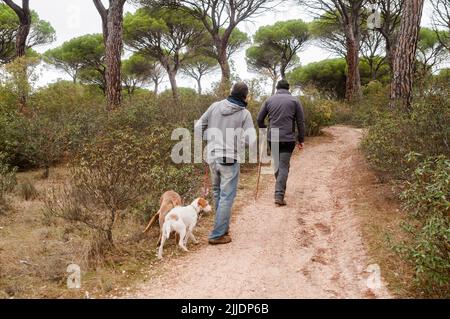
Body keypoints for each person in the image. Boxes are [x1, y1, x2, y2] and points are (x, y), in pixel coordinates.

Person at [195, 82, 256, 245]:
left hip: (212, 156)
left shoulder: (215, 106)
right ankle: (217, 234)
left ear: (231, 92)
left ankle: (222, 227)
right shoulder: (244, 114)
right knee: (226, 197)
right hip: (229, 158)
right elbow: (251, 140)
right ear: (245, 96)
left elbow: (197, 127)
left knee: (217, 193)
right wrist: (237, 144)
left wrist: (210, 139)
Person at [257, 80, 305, 206]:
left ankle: (279, 189)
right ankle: (279, 194)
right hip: (288, 138)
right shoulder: (295, 101)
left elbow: (259, 119)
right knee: (283, 166)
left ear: (277, 88)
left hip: (273, 137)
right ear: (288, 88)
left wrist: (264, 127)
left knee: (277, 164)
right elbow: (300, 122)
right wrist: (301, 139)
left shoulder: (269, 100)